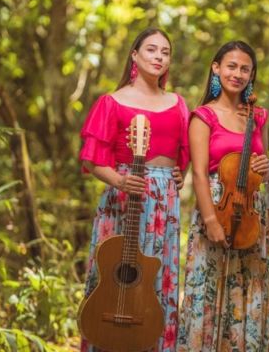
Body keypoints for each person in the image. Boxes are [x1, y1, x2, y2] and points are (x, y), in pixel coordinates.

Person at [79, 28, 189, 352]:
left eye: (165, 52)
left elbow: (186, 153)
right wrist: (120, 181)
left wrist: (179, 174)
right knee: (115, 276)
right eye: (151, 49)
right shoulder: (112, 101)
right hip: (123, 198)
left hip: (164, 205)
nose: (159, 57)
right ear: (135, 55)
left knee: (155, 279)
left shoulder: (178, 104)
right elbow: (91, 160)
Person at [177, 41, 269, 352]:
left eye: (245, 69)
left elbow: (262, 169)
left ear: (252, 75)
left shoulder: (258, 116)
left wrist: (265, 168)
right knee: (209, 287)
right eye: (231, 66)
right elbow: (199, 174)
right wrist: (210, 220)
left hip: (251, 213)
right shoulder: (203, 116)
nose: (238, 74)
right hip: (216, 207)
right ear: (216, 68)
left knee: (250, 288)